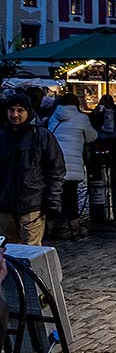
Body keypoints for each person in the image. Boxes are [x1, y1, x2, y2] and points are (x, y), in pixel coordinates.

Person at [0, 94, 65, 245]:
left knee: (31, 252)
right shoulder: (3, 135)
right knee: (7, 252)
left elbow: (56, 169)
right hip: (5, 206)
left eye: (20, 110)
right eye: (12, 110)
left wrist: (52, 200)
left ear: (28, 112)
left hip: (32, 204)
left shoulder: (41, 135)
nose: (15, 115)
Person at [46, 93, 97, 239]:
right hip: (72, 165)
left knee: (54, 196)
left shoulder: (53, 117)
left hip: (54, 164)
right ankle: (75, 230)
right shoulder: (81, 118)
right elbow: (92, 137)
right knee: (71, 198)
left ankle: (49, 228)